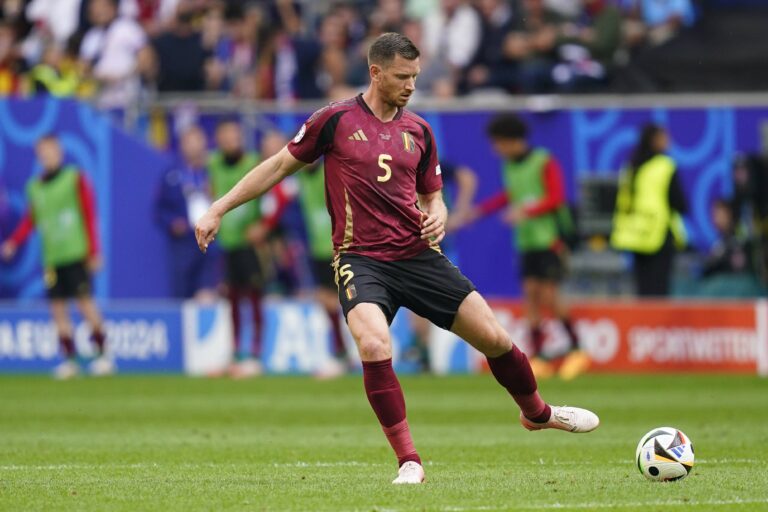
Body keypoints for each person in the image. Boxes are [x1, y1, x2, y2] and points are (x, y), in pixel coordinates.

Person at [195, 32, 599, 485]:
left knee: (496, 340)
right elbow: (275, 167)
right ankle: (410, 460)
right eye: (403, 77)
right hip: (360, 259)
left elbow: (433, 195)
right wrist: (218, 207)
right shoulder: (334, 120)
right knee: (373, 344)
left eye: (416, 77)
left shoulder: (419, 130)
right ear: (376, 72)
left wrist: (438, 217)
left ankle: (538, 413)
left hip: (418, 256)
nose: (411, 85)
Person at [470, 113, 588, 380]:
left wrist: (527, 211)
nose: (495, 149)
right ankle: (539, 355)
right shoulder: (509, 166)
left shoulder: (543, 161)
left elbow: (556, 198)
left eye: (497, 143)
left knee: (549, 295)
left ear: (511, 141)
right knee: (530, 295)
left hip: (549, 239)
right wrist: (481, 211)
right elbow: (512, 194)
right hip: (526, 241)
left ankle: (576, 349)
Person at [0, 135, 114, 379]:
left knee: (85, 305)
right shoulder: (35, 186)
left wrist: (94, 251)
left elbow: (89, 214)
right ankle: (70, 360)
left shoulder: (74, 178)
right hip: (52, 257)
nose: (47, 155)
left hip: (75, 252)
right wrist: (13, 242)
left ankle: (104, 354)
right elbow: (32, 219)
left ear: (59, 151)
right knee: (58, 310)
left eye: (50, 150)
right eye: (42, 151)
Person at [208, 120, 266, 378]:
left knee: (254, 296)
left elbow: (271, 195)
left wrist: (263, 226)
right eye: (226, 137)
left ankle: (255, 353)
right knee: (232, 298)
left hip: (250, 243)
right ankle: (235, 351)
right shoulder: (214, 164)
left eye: (234, 136)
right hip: (228, 242)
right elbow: (211, 191)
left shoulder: (253, 161)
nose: (231, 141)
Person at [611, 123, 687, 296]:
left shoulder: (630, 166)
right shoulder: (665, 165)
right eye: (664, 137)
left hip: (636, 235)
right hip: (658, 234)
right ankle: (658, 324)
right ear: (654, 140)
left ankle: (643, 323)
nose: (668, 141)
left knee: (643, 290)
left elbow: (623, 202)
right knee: (659, 290)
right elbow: (679, 202)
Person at [154, 125, 219, 300]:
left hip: (209, 239)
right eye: (190, 142)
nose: (195, 146)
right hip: (183, 242)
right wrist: (172, 223)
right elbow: (159, 210)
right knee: (181, 291)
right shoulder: (172, 175)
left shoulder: (213, 170)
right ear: (182, 145)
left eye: (198, 140)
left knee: (207, 291)